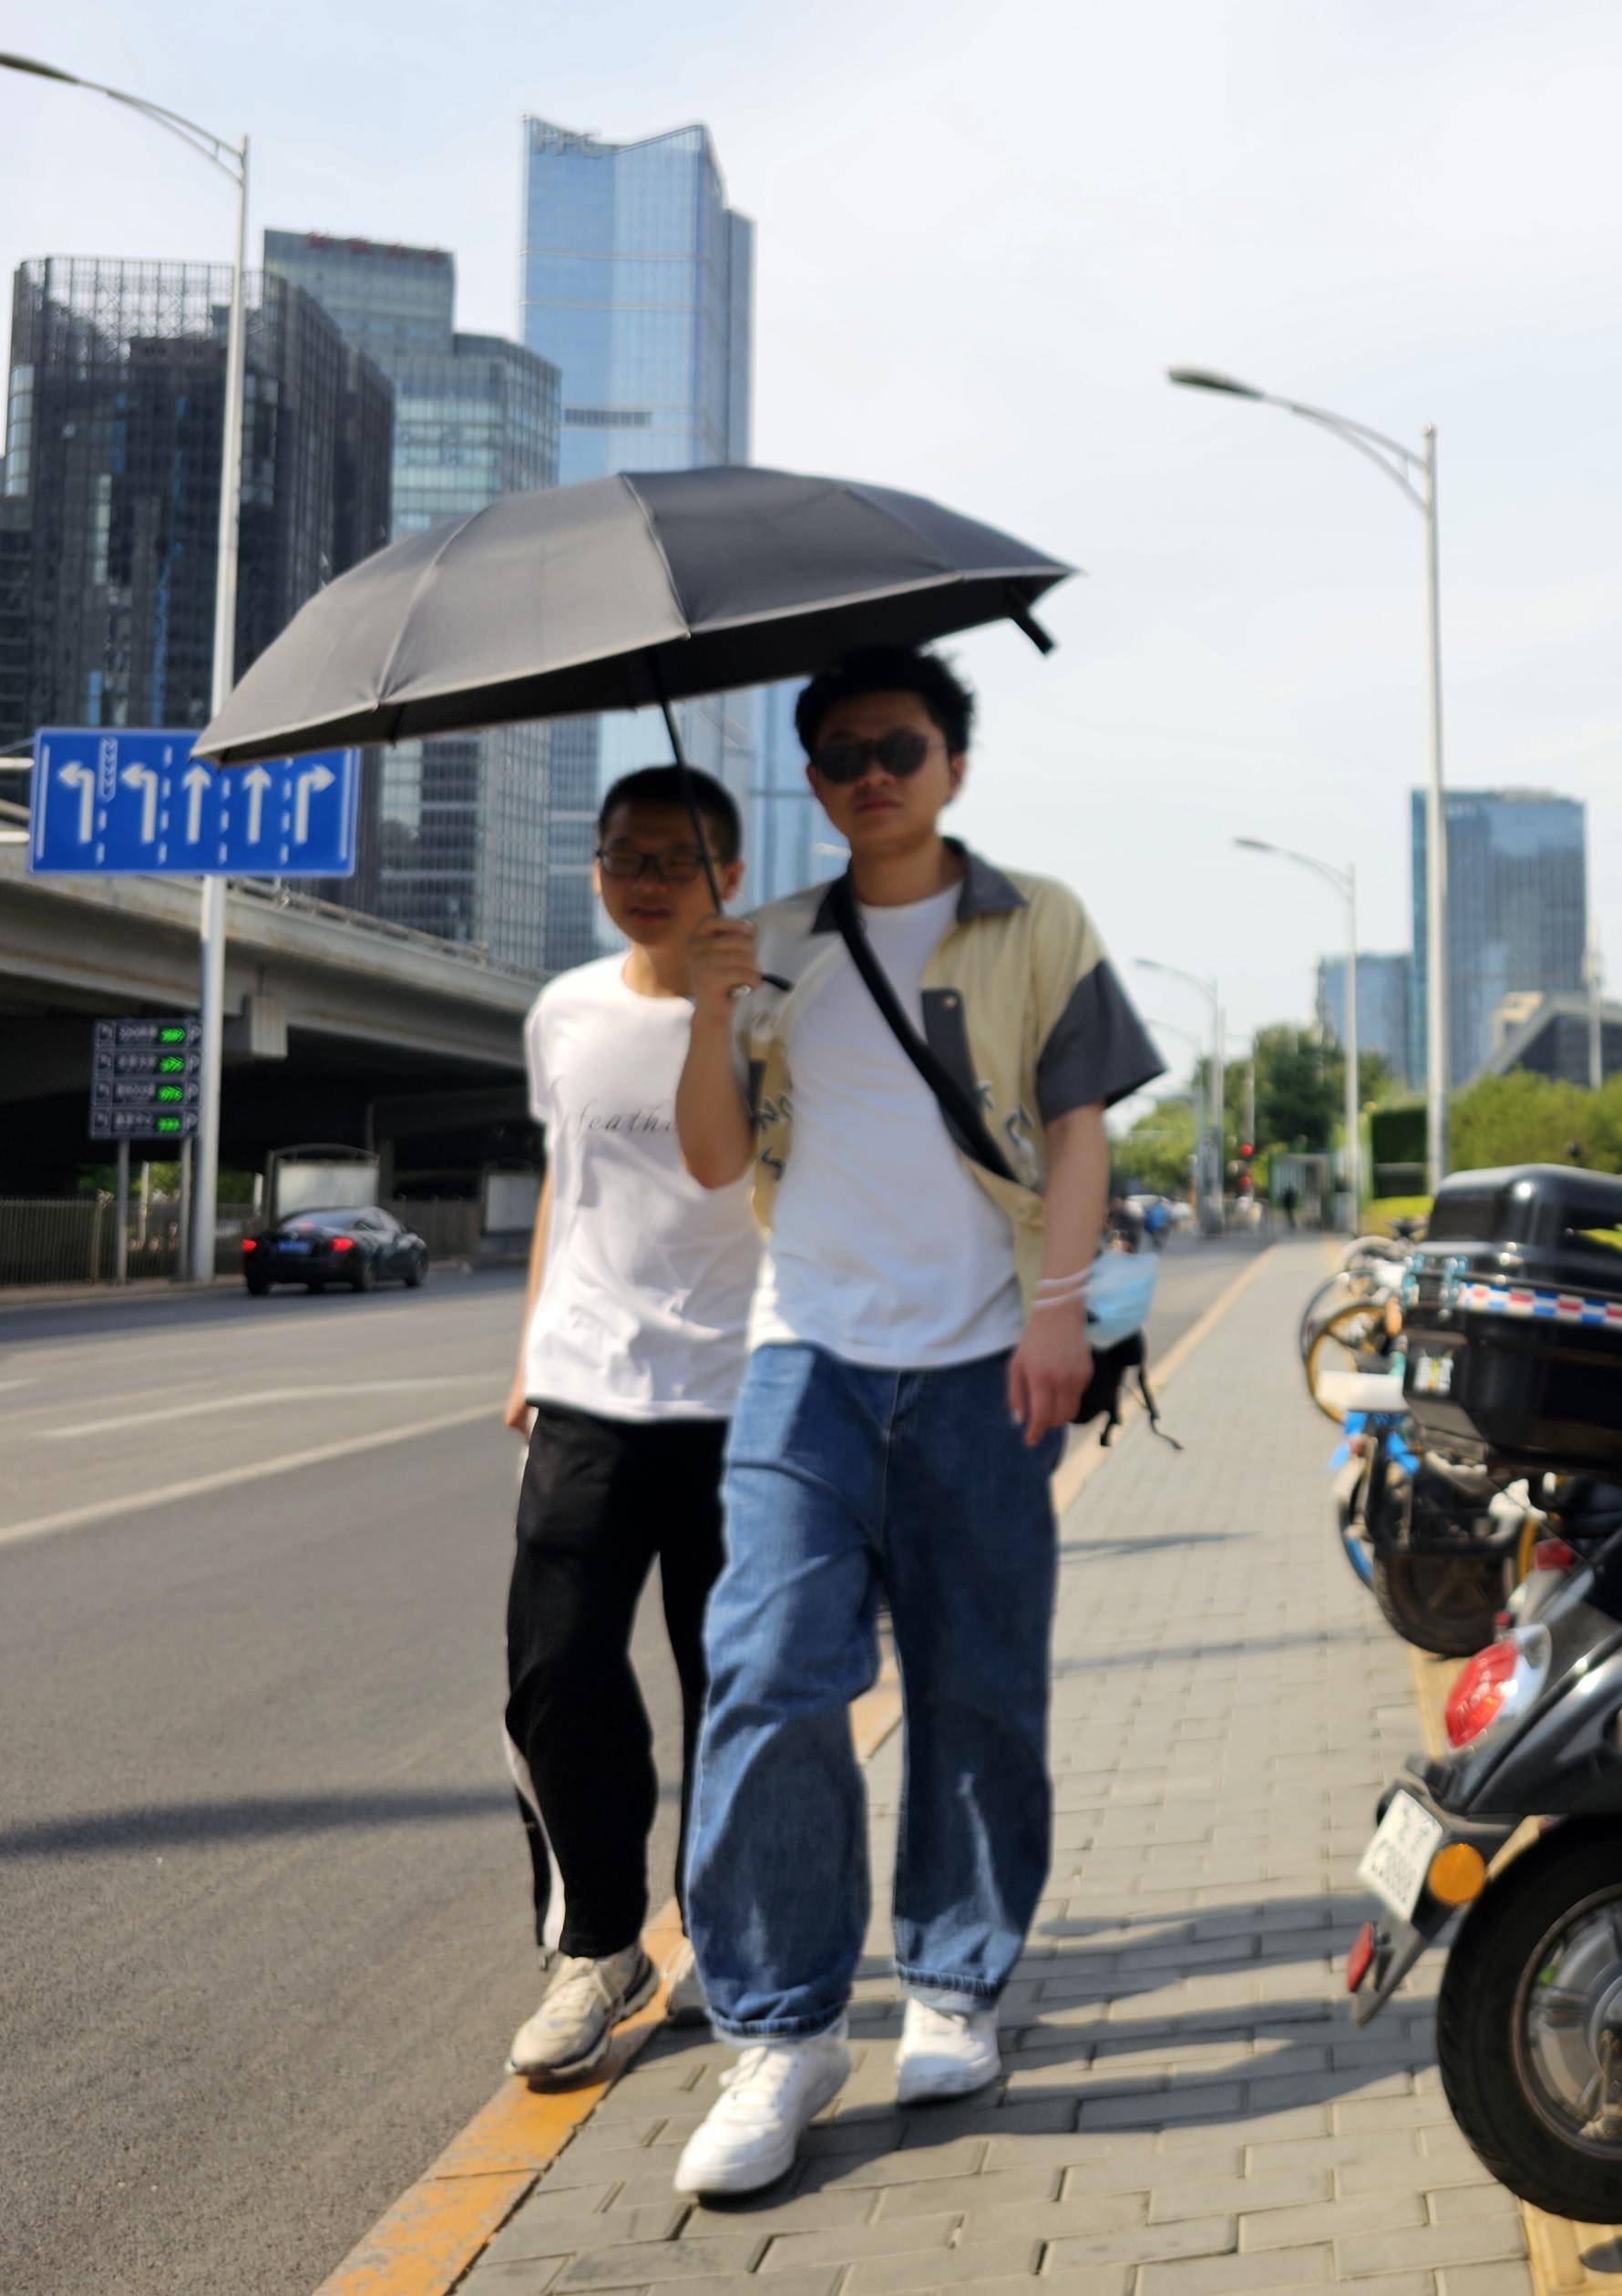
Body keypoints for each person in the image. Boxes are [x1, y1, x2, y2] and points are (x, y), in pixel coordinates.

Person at [665, 644, 1161, 2197]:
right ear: (810, 783)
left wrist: (1061, 1311)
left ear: (953, 762)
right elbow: (707, 1162)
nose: (869, 772)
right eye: (838, 755)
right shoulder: (776, 945)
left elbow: (1078, 1128)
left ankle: (953, 1983)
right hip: (800, 1360)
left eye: (900, 744)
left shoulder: (1038, 921)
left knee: (978, 1687)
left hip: (981, 1363)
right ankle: (785, 2029)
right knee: (763, 1677)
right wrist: (704, 1008)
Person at [501, 767, 764, 2086]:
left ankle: (727, 1932)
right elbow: (571, 1184)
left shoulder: (778, 1015)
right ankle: (598, 1946)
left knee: (737, 1691)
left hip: (738, 1398)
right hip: (587, 1392)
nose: (643, 875)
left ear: (728, 864)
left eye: (673, 854)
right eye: (621, 854)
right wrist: (531, 1345)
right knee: (555, 1678)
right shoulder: (565, 1011)